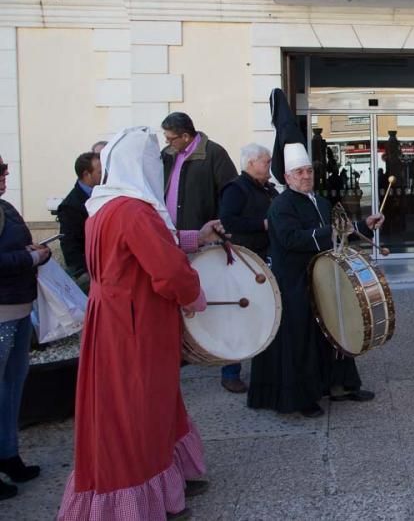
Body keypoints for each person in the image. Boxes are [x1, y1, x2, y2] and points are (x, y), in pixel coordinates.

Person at [57, 127, 225, 520]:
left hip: (113, 319)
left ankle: (169, 479)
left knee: (145, 402)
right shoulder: (134, 211)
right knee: (138, 407)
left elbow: (146, 247)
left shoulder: (104, 206)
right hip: (136, 323)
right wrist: (192, 295)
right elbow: (166, 269)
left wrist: (194, 237)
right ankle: (139, 498)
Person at [248, 128, 381, 417]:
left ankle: (340, 385)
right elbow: (291, 239)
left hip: (324, 278)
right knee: (301, 340)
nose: (306, 176)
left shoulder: (319, 201)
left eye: (308, 171)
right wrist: (330, 232)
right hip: (294, 282)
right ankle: (302, 398)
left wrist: (365, 224)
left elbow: (338, 231)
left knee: (334, 332)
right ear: (287, 178)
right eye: (299, 172)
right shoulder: (281, 205)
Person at [161, 111, 242, 392]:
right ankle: (182, 357)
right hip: (174, 241)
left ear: (186, 136)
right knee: (177, 303)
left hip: (207, 241)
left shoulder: (215, 154)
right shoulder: (167, 155)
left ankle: (230, 369)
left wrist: (221, 229)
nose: (168, 142)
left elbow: (230, 194)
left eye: (171, 138)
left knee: (221, 302)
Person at [0, 154, 47, 501]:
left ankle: (9, 455)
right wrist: (31, 257)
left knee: (14, 387)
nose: (5, 173)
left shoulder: (7, 207)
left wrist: (29, 250)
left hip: (18, 308)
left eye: (4, 168)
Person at [219, 144, 277, 265]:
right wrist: (263, 224)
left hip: (270, 252)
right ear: (251, 163)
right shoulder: (235, 189)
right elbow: (228, 221)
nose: (270, 166)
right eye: (266, 162)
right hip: (248, 255)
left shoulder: (268, 188)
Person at [57, 152, 102, 290]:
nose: (105, 174)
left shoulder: (102, 193)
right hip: (89, 273)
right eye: (99, 172)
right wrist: (82, 273)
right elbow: (69, 243)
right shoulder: (70, 206)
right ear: (87, 174)